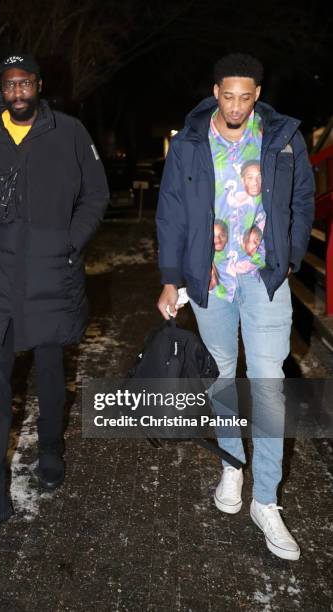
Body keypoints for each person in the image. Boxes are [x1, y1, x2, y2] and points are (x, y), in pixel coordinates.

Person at [156, 53, 314, 560]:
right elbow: (172, 213)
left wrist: (287, 257)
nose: (237, 106)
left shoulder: (283, 139)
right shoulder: (189, 144)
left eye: (246, 97)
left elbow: (303, 199)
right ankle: (231, 464)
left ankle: (265, 500)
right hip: (213, 282)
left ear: (258, 95)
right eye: (228, 95)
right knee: (222, 375)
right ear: (215, 90)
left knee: (268, 383)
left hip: (264, 281)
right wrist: (170, 279)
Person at [0, 53, 109, 542]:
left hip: (50, 270)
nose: (18, 90)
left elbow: (97, 194)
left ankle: (50, 451)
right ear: (1, 89)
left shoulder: (68, 132)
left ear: (39, 85)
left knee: (49, 365)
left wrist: (70, 240)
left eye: (25, 82)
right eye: (9, 84)